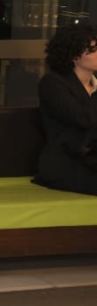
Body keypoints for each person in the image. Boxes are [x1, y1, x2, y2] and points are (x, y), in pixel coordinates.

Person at [35, 23, 97, 195]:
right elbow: (84, 119)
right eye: (93, 50)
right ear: (74, 56)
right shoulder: (53, 84)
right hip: (67, 163)